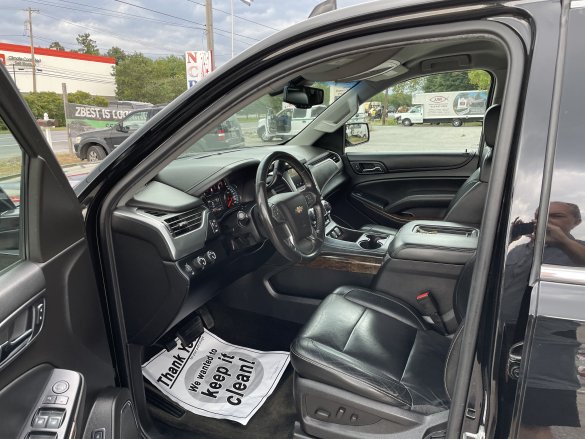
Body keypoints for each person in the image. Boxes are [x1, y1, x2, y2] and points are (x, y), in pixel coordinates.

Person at [506, 202, 584, 438]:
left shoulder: (577, 249)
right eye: (540, 216)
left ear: (576, 222)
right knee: (507, 416)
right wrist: (508, 238)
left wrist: (563, 240)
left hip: (550, 347)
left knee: (534, 422)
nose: (547, 222)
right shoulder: (519, 250)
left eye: (557, 216)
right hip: (506, 339)